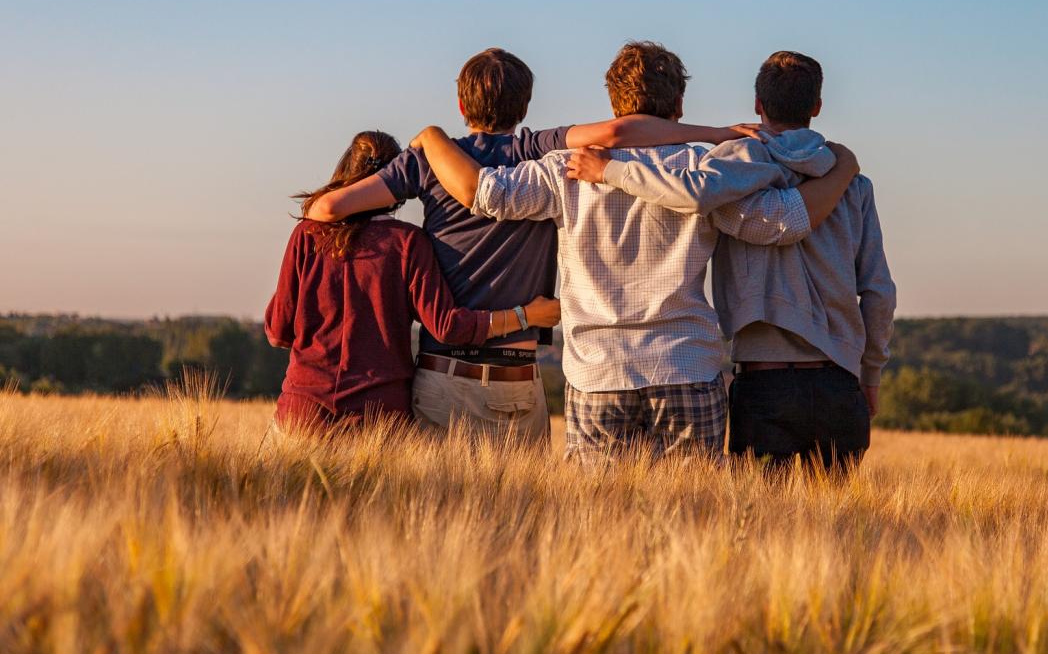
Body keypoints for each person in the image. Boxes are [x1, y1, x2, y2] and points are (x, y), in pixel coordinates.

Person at [411, 42, 859, 462]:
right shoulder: (705, 170)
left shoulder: (564, 169)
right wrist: (842, 170)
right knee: (693, 520)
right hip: (686, 366)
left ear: (613, 105)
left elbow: (485, 194)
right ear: (679, 107)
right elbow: (781, 223)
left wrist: (432, 138)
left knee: (599, 523)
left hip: (597, 373)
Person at [301, 47, 762, 442]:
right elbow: (620, 133)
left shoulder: (430, 160)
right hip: (521, 378)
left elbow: (326, 211)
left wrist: (427, 143)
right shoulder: (536, 150)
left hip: (445, 374)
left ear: (461, 104)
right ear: (524, 107)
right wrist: (716, 134)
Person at [568, 51, 896, 473]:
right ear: (816, 107)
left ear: (758, 104)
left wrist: (610, 171)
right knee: (838, 531)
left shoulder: (731, 168)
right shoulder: (853, 184)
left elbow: (693, 193)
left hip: (764, 382)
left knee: (757, 528)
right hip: (840, 381)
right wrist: (870, 374)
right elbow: (878, 291)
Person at [264, 130, 561, 433]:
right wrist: (526, 316)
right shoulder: (408, 243)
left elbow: (278, 332)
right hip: (379, 418)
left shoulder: (307, 235)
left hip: (303, 412)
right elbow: (447, 326)